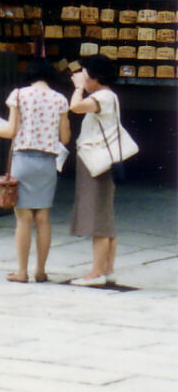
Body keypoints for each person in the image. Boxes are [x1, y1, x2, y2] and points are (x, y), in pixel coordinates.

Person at [0, 58, 70, 282]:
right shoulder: (60, 99)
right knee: (43, 218)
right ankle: (41, 270)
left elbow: (10, 131)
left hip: (23, 160)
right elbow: (65, 137)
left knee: (23, 219)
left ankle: (22, 271)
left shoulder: (19, 95)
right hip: (48, 161)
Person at [69, 56, 124, 286]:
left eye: (87, 74)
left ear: (96, 77)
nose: (85, 78)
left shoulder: (101, 97)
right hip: (102, 160)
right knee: (105, 216)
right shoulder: (110, 96)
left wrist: (79, 87)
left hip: (95, 161)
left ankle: (96, 273)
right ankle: (107, 269)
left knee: (98, 218)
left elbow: (75, 107)